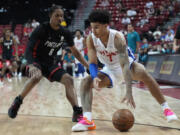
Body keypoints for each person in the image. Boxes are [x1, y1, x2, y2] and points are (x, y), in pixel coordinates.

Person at [72, 10, 178, 132]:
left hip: (128, 66)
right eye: (91, 28)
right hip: (109, 69)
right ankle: (87, 120)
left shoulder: (117, 38)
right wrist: (95, 76)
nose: (93, 31)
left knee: (143, 72)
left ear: (106, 25)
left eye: (96, 27)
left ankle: (166, 108)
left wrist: (129, 91)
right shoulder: (91, 39)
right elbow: (92, 62)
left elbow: (125, 66)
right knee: (86, 82)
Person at [8, 5, 89, 122]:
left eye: (61, 16)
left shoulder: (65, 32)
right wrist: (31, 64)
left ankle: (76, 111)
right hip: (36, 60)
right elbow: (29, 49)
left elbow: (75, 51)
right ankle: (17, 101)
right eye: (57, 15)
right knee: (37, 76)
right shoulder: (41, 29)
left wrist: (87, 66)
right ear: (50, 16)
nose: (60, 18)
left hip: (51, 63)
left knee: (69, 80)